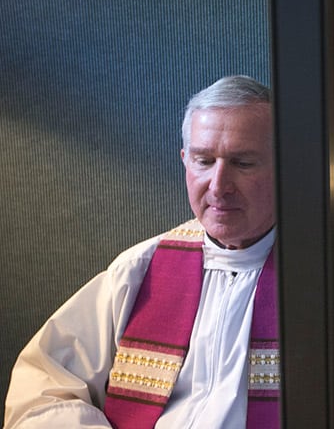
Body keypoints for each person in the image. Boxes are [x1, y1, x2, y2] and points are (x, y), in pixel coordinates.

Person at [4, 75, 281, 428]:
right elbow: (44, 387)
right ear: (185, 160)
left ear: (287, 165)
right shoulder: (141, 270)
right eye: (204, 161)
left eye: (242, 163)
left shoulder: (325, 277)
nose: (218, 186)